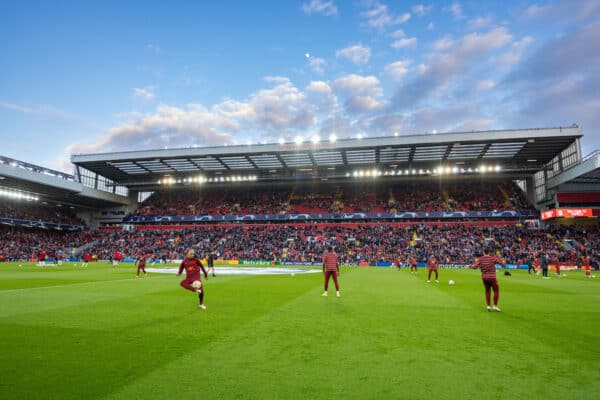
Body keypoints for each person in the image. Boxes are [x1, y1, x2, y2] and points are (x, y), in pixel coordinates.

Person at [470, 248, 503, 312]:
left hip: (484, 277)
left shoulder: (480, 259)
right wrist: (501, 260)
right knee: (496, 291)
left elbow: (474, 267)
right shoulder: (492, 258)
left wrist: (469, 266)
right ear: (489, 252)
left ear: (483, 252)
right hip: (492, 277)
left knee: (487, 291)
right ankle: (495, 306)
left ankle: (488, 306)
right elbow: (501, 263)